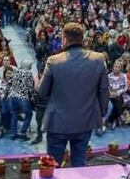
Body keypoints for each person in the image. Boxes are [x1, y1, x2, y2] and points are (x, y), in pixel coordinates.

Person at [36, 22, 109, 168]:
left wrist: (38, 81)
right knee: (79, 164)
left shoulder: (53, 61)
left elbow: (42, 92)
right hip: (85, 121)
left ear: (64, 39)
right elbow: (104, 90)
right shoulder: (98, 59)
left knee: (53, 165)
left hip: (57, 123)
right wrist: (102, 113)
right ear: (82, 39)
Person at [0, 62, 34, 140]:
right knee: (29, 113)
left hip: (12, 97)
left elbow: (9, 83)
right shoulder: (29, 73)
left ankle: (13, 133)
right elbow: (31, 87)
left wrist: (6, 95)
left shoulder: (15, 71)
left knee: (14, 113)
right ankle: (23, 133)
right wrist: (32, 95)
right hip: (22, 98)